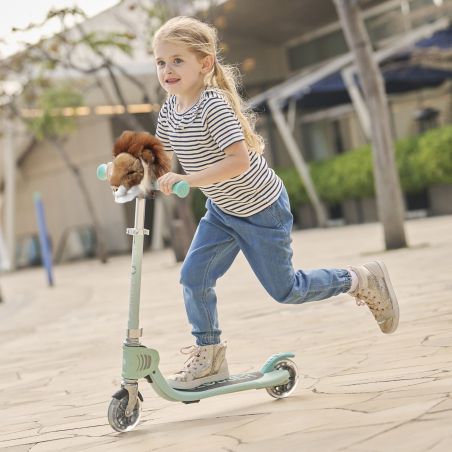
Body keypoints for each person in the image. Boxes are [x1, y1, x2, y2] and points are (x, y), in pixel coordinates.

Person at [154, 16, 399, 390]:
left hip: (261, 209)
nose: (167, 70)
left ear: (204, 63)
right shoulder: (170, 110)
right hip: (222, 212)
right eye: (160, 62)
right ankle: (209, 358)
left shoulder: (213, 106)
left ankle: (360, 279)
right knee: (193, 277)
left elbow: (237, 161)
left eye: (177, 61)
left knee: (287, 289)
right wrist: (130, 168)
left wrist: (188, 180)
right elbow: (158, 154)